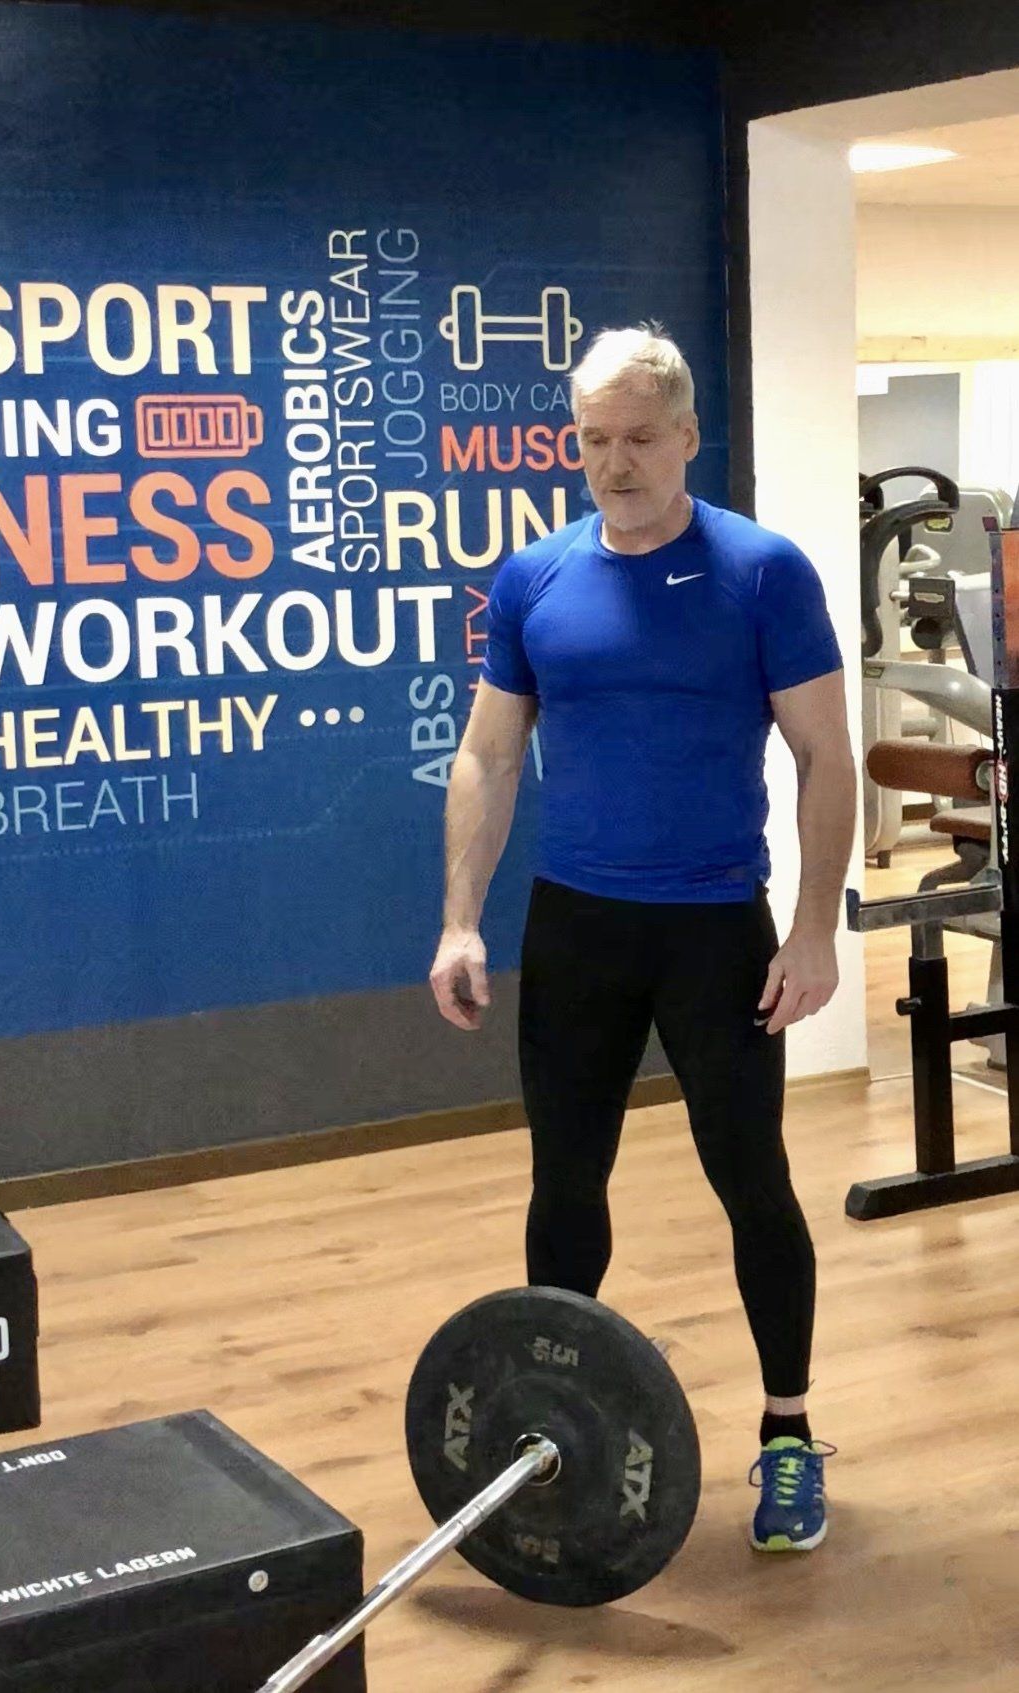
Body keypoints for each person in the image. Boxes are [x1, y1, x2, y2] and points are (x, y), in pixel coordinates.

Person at [428, 322, 856, 1554]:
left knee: (751, 1179)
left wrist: (814, 931)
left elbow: (826, 756)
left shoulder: (762, 573)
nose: (614, 464)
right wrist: (460, 921)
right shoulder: (535, 578)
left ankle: (788, 1434)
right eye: (593, 440)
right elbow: (487, 753)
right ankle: (547, 1425)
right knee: (565, 1184)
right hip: (579, 927)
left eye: (638, 439)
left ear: (687, 437)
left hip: (717, 928)